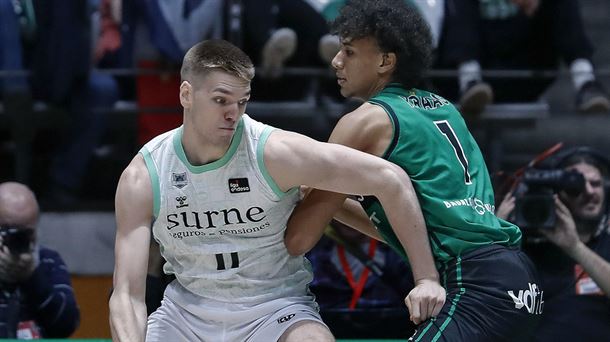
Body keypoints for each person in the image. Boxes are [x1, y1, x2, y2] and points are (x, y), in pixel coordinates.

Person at [108, 39, 445, 342]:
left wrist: (427, 277)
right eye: (220, 100)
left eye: (241, 102)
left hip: (274, 310)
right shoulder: (144, 174)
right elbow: (127, 295)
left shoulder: (274, 153)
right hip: (185, 316)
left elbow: (389, 178)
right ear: (186, 95)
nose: (232, 114)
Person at [284, 0, 542, 340]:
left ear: (385, 61)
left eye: (348, 51)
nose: (336, 61)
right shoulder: (446, 108)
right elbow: (409, 229)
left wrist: (286, 189)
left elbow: (299, 238)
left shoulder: (365, 121)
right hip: (518, 280)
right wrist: (321, 199)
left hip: (472, 283)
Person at [496, 146, 610, 342]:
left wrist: (575, 247)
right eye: (577, 187)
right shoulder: (527, 250)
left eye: (596, 183)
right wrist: (497, 238)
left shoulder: (606, 245)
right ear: (558, 195)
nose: (589, 191)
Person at [435, 0, 610, 115]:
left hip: (524, 66)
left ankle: (585, 82)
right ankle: (469, 80)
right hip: (473, 68)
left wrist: (533, 8)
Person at [307, 221, 417, 339]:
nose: (348, 222)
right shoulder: (312, 248)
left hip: (392, 331)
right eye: (344, 212)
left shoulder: (399, 249)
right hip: (330, 330)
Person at [0, 182, 80, 338]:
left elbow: (67, 325)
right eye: (8, 229)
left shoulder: (48, 261)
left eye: (25, 232)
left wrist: (32, 277)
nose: (17, 238)